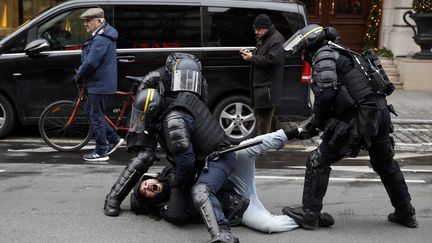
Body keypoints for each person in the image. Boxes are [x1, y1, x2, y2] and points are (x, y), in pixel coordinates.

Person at [281, 24, 418, 230]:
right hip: (380, 113)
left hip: (359, 118)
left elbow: (326, 94)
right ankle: (406, 213)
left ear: (310, 43)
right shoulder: (345, 52)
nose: (302, 56)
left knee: (318, 160)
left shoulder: (324, 54)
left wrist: (318, 121)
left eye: (302, 50)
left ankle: (309, 215)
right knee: (385, 164)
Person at [104, 53, 239, 243]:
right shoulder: (156, 80)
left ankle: (224, 231)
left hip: (213, 155)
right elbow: (142, 104)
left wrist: (178, 182)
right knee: (144, 157)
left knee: (199, 190)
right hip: (157, 114)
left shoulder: (189, 98)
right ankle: (113, 198)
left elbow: (187, 156)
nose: (187, 83)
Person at [130, 129, 336, 233]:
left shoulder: (168, 171)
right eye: (145, 191)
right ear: (151, 201)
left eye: (144, 183)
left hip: (232, 177)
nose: (147, 186)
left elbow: (192, 159)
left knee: (245, 147)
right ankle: (310, 217)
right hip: (237, 206)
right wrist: (177, 181)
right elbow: (177, 211)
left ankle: (295, 131)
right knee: (268, 226)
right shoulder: (169, 209)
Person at [75, 8, 124, 162]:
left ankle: (101, 151)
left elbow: (91, 62)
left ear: (99, 21)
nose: (85, 24)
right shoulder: (101, 36)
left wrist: (79, 75)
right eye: (85, 21)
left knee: (96, 115)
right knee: (92, 111)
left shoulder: (101, 39)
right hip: (99, 82)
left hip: (99, 84)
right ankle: (114, 139)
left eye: (88, 20)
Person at [240, 14, 285, 135]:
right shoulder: (266, 39)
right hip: (262, 90)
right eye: (255, 29)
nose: (256, 32)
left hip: (267, 91)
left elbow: (271, 61)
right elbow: (262, 56)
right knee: (269, 121)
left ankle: (262, 150)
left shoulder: (276, 40)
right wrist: (250, 54)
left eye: (259, 29)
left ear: (267, 27)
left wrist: (251, 58)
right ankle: (285, 136)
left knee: (263, 127)